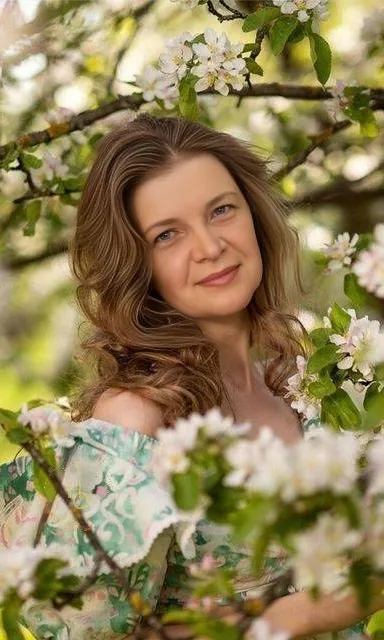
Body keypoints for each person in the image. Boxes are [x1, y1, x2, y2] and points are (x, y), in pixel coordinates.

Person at [0, 113, 383, 639]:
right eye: (167, 235)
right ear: (135, 262)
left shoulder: (296, 372)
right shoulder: (133, 420)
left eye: (221, 210)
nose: (209, 246)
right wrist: (308, 612)